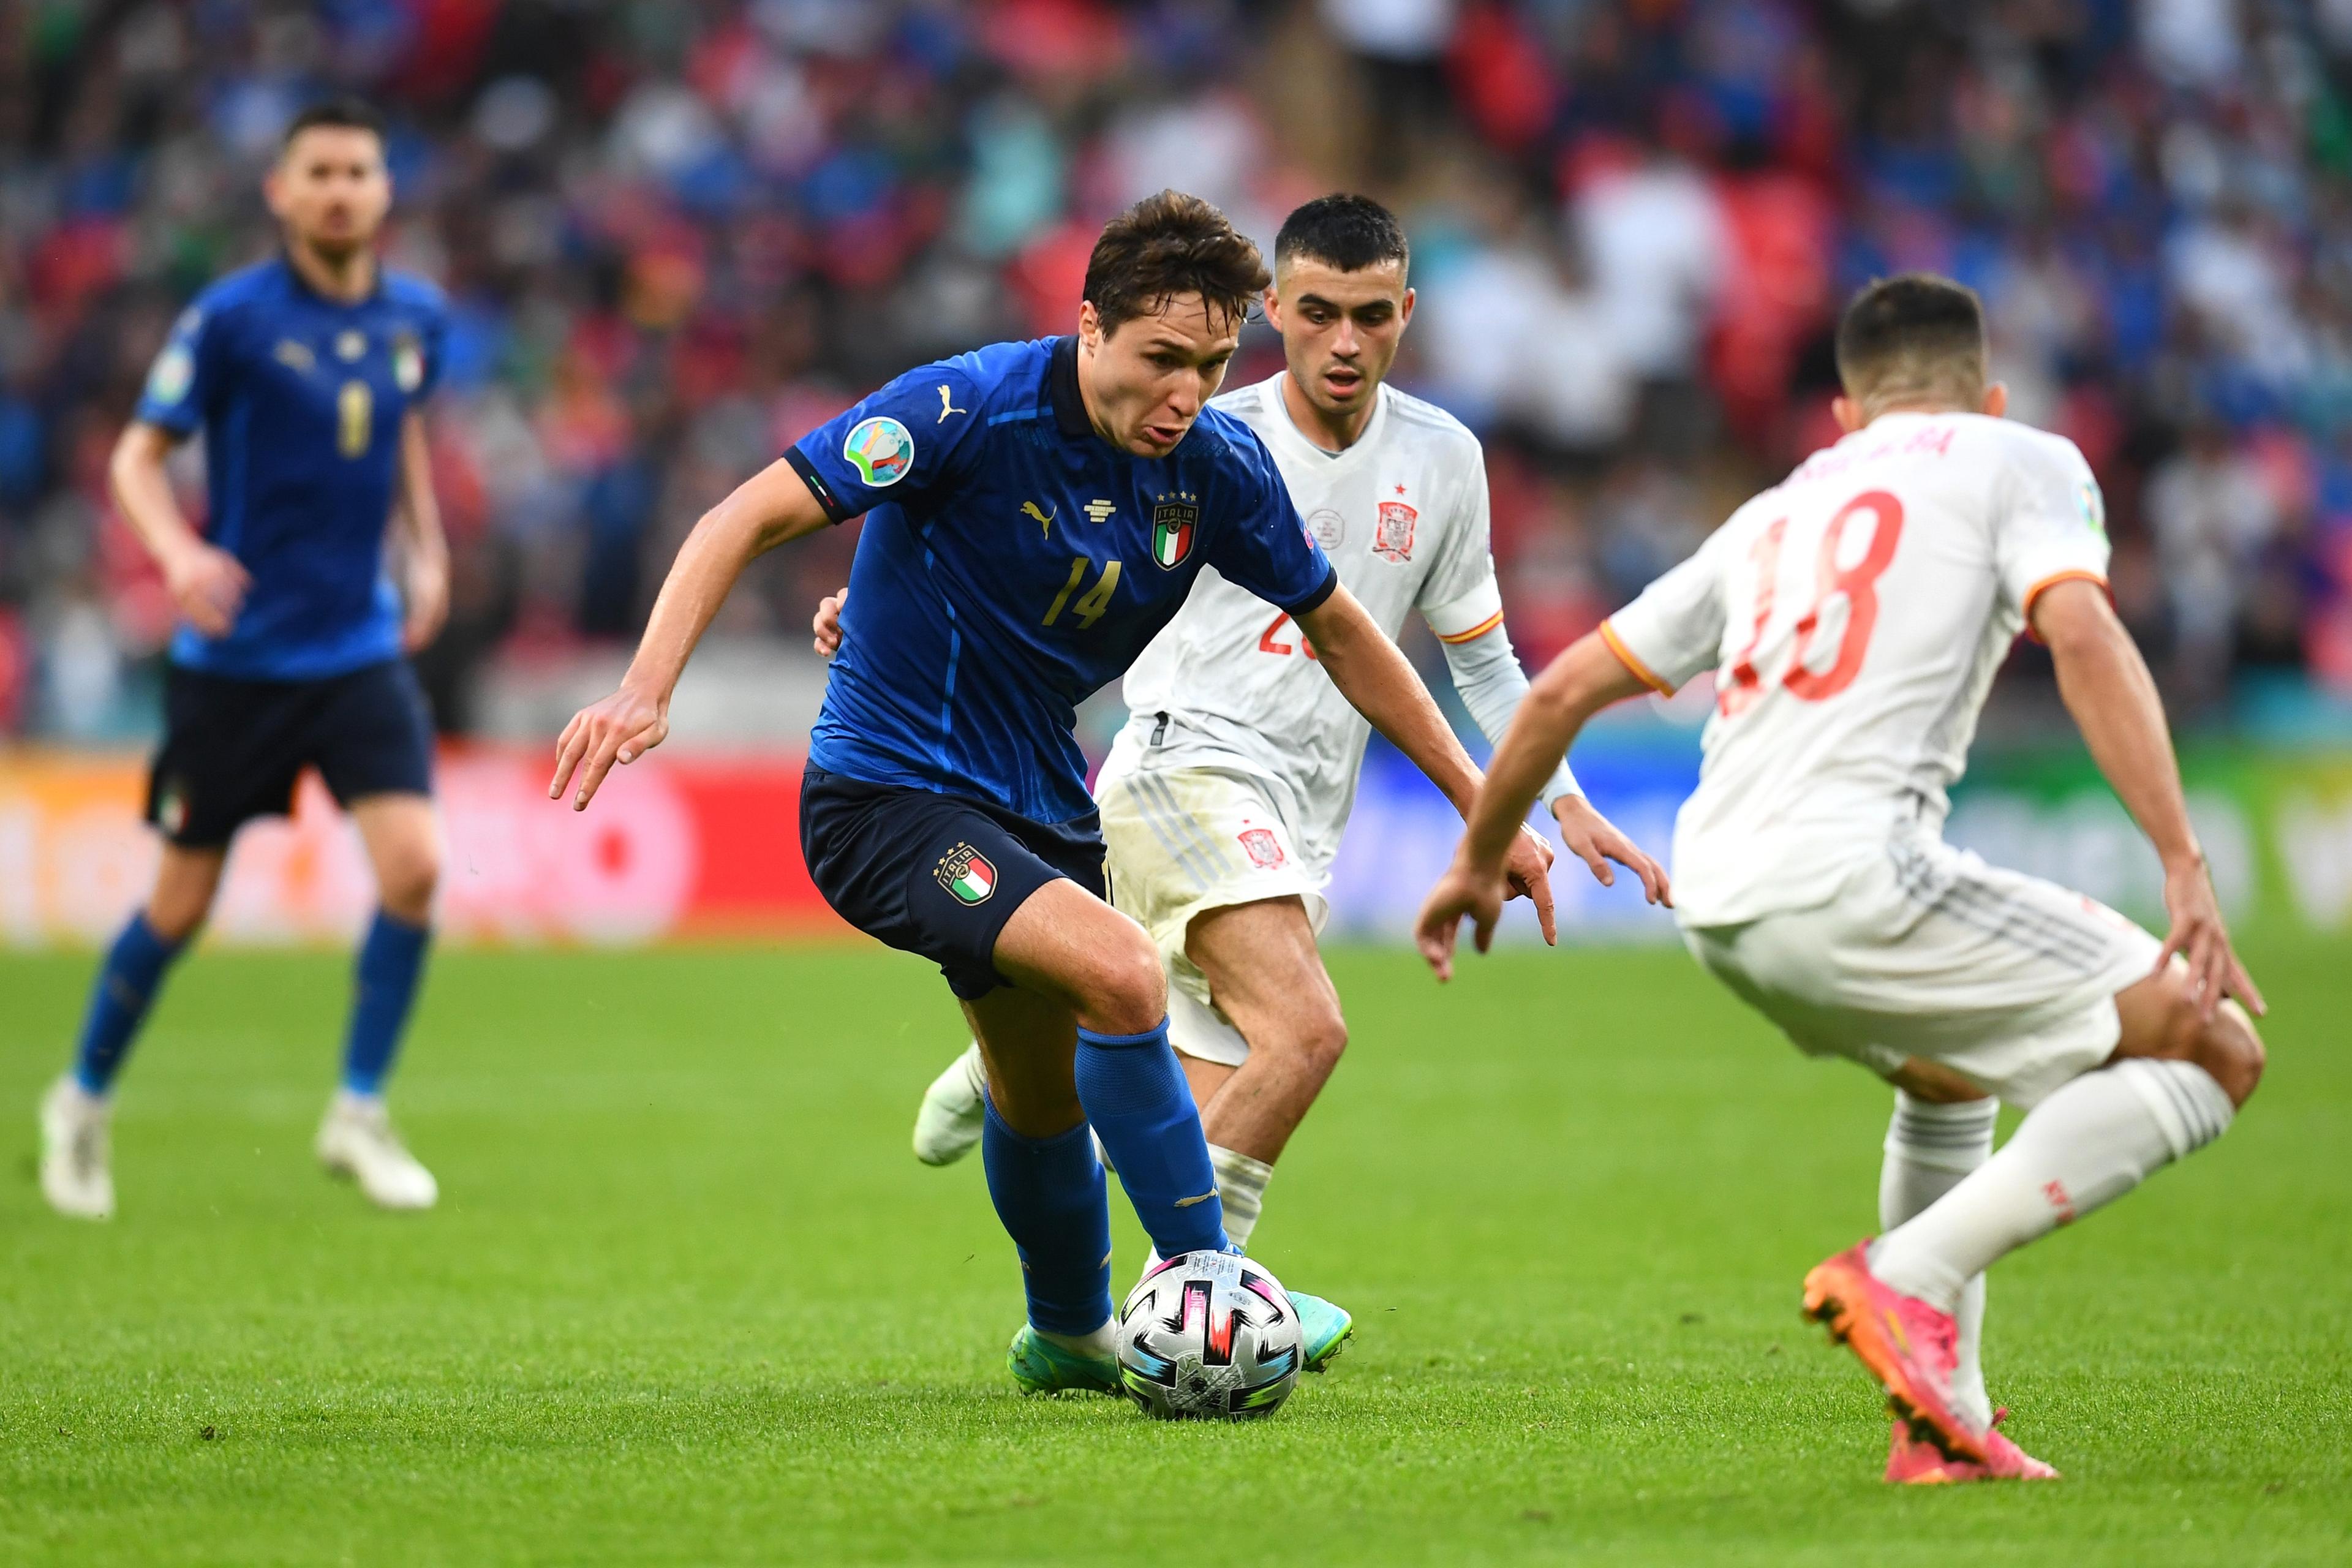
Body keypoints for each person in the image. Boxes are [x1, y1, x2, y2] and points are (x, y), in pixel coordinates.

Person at [550, 190, 1555, 1396]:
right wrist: (645, 691)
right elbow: (744, 513)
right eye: (1162, 359)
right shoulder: (968, 406)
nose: (1188, 392)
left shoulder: (1215, 470)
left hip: (1036, 803)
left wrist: (1480, 801)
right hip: (890, 796)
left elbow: (1342, 631)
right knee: (1126, 973)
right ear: (1088, 328)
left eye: (1213, 363)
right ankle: (1207, 1277)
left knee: (1038, 1096)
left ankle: (1069, 1331)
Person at [1415, 274, 2266, 1481]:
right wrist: (2184, 859)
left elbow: (1556, 694)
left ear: (1844, 415)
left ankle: (1938, 1428)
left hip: (1719, 896)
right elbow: (2082, 635)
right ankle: (1904, 1273)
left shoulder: (1779, 508)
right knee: (2213, 1047)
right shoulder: (2024, 456)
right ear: (1990, 394)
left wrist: (1469, 859)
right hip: (1856, 876)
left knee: (1947, 1070)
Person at [859, 194, 1664, 1256]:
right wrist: (888, 612)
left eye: (1372, 316)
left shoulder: (1446, 458)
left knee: (1189, 1115)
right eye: (1319, 311)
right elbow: (1030, 547)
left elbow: (1482, 659)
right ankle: (1197, 1302)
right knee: (1303, 1035)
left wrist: (1561, 799)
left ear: (1408, 313)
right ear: (1272, 309)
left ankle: (1013, 1067)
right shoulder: (1195, 430)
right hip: (1189, 765)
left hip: (1305, 806)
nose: (1345, 341)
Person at [39, 97, 451, 1219]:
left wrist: (428, 547)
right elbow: (137, 456)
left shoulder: (416, 317)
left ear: (383, 189)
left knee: (414, 867)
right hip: (235, 659)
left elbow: (405, 422)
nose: (337, 190)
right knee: (181, 903)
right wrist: (176, 552)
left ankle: (358, 1110)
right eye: (316, 171)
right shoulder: (229, 319)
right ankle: (82, 1099)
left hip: (356, 650)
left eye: (357, 171)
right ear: (279, 191)